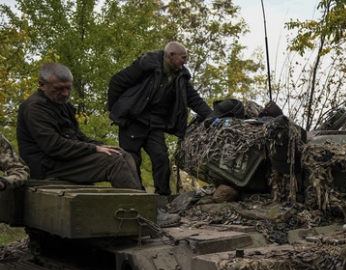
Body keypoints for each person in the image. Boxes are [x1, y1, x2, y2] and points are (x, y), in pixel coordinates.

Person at [108, 42, 213, 196]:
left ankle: (163, 198)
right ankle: (137, 196)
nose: (185, 62)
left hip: (155, 124)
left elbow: (194, 99)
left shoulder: (180, 76)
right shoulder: (145, 66)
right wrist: (118, 109)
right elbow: (116, 81)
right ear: (171, 55)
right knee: (131, 160)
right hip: (133, 121)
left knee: (161, 159)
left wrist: (212, 116)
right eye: (183, 58)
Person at [16, 62, 142, 190]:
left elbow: (77, 135)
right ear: (42, 85)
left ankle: (141, 201)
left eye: (68, 88)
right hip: (46, 166)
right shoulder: (36, 108)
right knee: (114, 162)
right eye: (59, 89)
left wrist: (99, 145)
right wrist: (93, 149)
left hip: (62, 160)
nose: (65, 93)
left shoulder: (61, 104)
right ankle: (135, 205)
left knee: (122, 154)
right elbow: (54, 146)